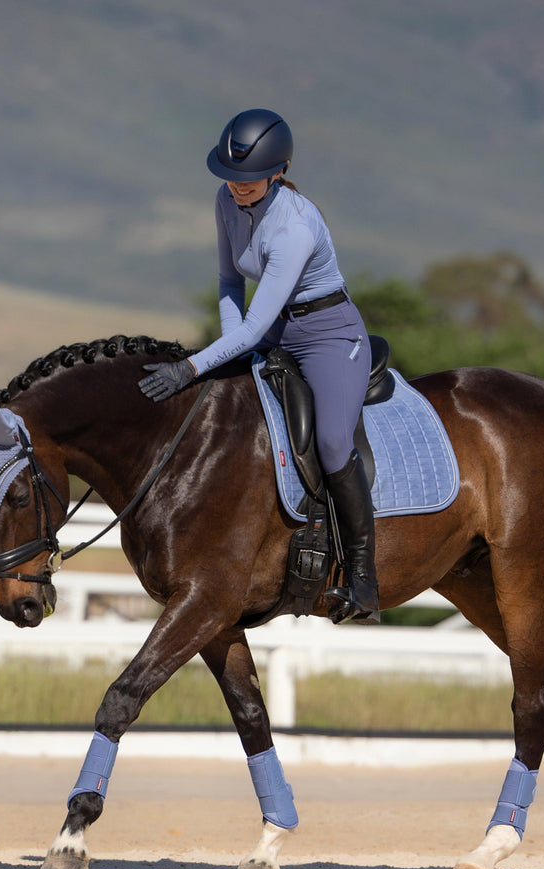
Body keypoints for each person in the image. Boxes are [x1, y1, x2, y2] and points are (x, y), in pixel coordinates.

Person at [139, 108, 379, 623]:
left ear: (277, 172)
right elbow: (230, 284)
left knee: (334, 441)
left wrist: (189, 369)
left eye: (248, 181)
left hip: (328, 335)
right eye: (230, 178)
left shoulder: (293, 227)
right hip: (269, 331)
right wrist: (229, 351)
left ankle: (363, 578)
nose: (237, 188)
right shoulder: (225, 202)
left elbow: (253, 326)